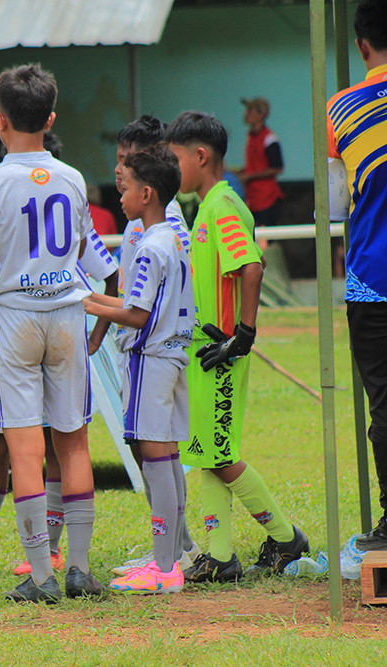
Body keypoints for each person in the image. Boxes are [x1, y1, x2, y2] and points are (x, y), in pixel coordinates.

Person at [0, 64, 102, 604]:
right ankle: (80, 570)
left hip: (14, 318)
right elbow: (87, 252)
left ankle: (41, 574)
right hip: (67, 314)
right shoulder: (72, 178)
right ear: (52, 117)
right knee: (75, 441)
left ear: (0, 122)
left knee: (25, 445)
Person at [164, 111, 308, 582]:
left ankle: (287, 539)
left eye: (175, 159)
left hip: (221, 353)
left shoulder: (224, 205)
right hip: (205, 352)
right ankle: (221, 556)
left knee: (221, 456)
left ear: (200, 156)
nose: (172, 169)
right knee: (208, 450)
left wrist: (242, 337)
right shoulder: (206, 207)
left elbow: (251, 266)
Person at [85, 145, 194, 594]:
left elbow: (136, 314)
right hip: (171, 356)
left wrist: (83, 301)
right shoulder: (173, 237)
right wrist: (92, 299)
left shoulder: (150, 246)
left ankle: (164, 569)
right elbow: (135, 305)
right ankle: (170, 558)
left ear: (146, 193)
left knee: (155, 460)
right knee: (166, 459)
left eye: (125, 188)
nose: (121, 197)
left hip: (150, 360)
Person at [327, 0, 387, 551]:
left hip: (372, 277)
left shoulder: (340, 109)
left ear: (361, 46)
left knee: (384, 402)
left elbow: (333, 204)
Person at [236, 97, 283, 228]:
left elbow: (277, 168)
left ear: (261, 114)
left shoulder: (269, 138)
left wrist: (249, 176)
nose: (246, 114)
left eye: (251, 110)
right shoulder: (251, 137)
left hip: (267, 199)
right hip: (253, 198)